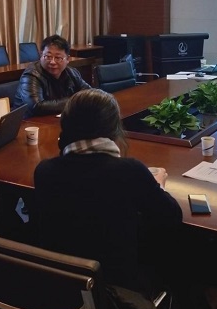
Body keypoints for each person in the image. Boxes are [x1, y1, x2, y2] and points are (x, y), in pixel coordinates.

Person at [34, 88, 182, 291]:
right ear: (114, 128)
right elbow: (171, 216)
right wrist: (158, 185)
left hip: (61, 285)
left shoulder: (44, 171)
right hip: (117, 289)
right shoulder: (129, 170)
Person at [13, 35, 91, 118]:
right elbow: (36, 106)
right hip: (29, 122)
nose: (52, 62)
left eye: (58, 58)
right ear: (41, 55)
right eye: (48, 57)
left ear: (67, 59)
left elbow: (89, 93)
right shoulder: (31, 74)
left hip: (57, 118)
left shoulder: (71, 73)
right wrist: (75, 100)